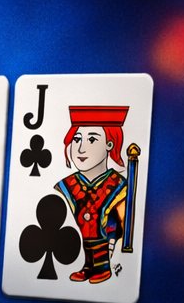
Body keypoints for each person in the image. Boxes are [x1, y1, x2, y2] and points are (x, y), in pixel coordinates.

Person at [54, 105, 129, 284]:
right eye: (77, 139)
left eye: (92, 140)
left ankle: (102, 267)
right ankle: (89, 266)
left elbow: (120, 225)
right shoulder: (67, 184)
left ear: (109, 144)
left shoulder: (118, 186)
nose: (80, 149)